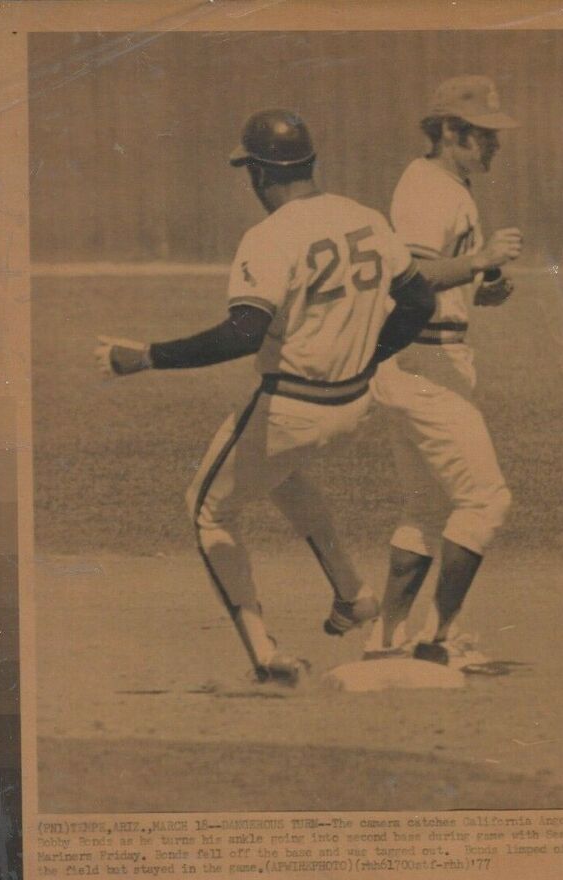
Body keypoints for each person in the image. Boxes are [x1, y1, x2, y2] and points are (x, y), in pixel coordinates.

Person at [96, 108, 434, 687]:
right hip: (354, 405)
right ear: (310, 163)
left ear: (256, 172)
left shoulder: (271, 236)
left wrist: (149, 356)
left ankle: (265, 655)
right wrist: (371, 354)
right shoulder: (364, 216)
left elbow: (244, 333)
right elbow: (420, 303)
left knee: (207, 509)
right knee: (279, 473)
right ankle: (352, 595)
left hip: (293, 408)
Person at [365, 77, 523, 670]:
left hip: (422, 362)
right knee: (486, 501)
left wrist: (485, 284)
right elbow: (411, 279)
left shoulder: (445, 185)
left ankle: (386, 638)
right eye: (485, 135)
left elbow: (445, 279)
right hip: (425, 363)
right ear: (451, 131)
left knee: (427, 510)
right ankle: (436, 638)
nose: (495, 146)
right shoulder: (429, 189)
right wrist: (480, 261)